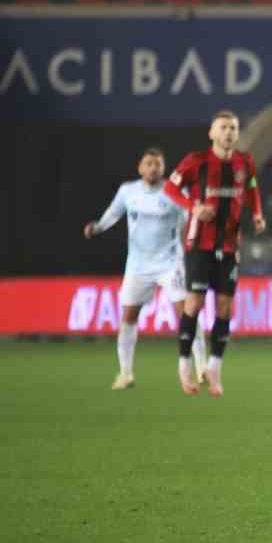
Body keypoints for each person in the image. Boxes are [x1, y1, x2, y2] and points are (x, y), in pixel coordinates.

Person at [83, 147, 207, 390]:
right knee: (129, 316)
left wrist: (192, 246)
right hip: (138, 266)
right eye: (148, 163)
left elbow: (190, 219)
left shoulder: (174, 192)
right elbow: (113, 213)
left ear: (164, 168)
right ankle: (126, 374)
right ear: (140, 168)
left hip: (170, 264)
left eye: (158, 164)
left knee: (186, 314)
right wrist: (97, 227)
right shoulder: (128, 191)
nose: (153, 168)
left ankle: (202, 368)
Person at [163, 111, 266, 397]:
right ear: (211, 133)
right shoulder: (196, 161)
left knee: (224, 307)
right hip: (199, 244)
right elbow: (171, 187)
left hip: (230, 245)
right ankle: (184, 364)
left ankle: (215, 367)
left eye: (233, 127)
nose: (229, 132)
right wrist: (192, 207)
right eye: (223, 128)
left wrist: (257, 214)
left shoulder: (245, 162)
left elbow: (253, 189)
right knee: (193, 303)